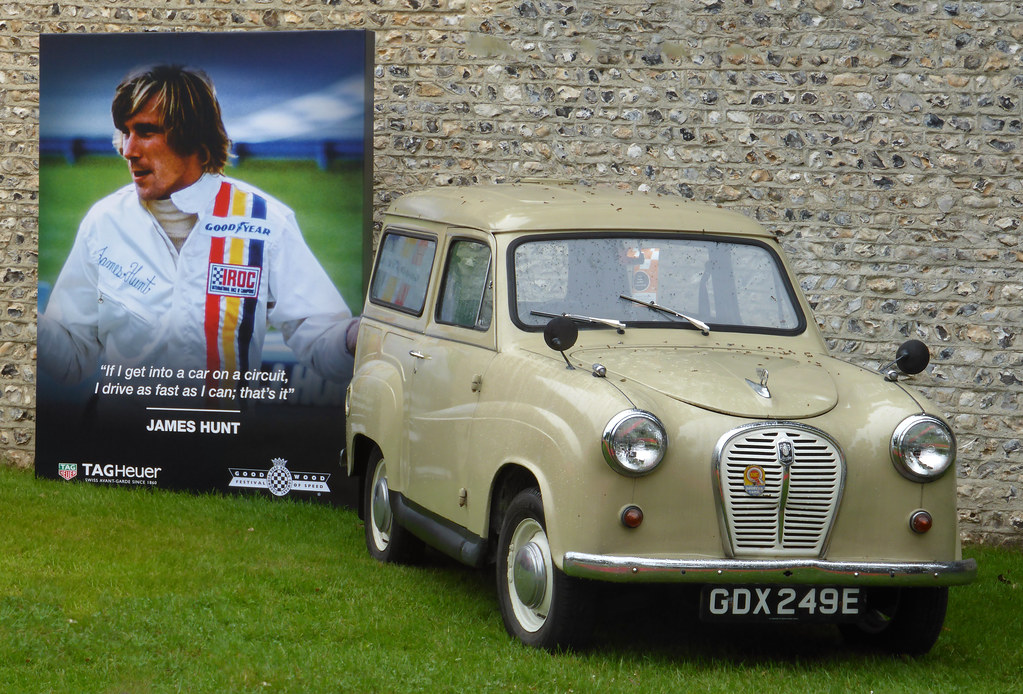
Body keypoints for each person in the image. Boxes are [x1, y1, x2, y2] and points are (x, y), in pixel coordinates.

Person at [39, 64, 359, 387]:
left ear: (192, 138)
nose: (128, 150)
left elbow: (322, 338)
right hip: (123, 436)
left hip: (223, 435)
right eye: (125, 133)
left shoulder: (265, 223)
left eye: (146, 132)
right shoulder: (104, 222)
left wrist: (353, 337)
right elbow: (71, 357)